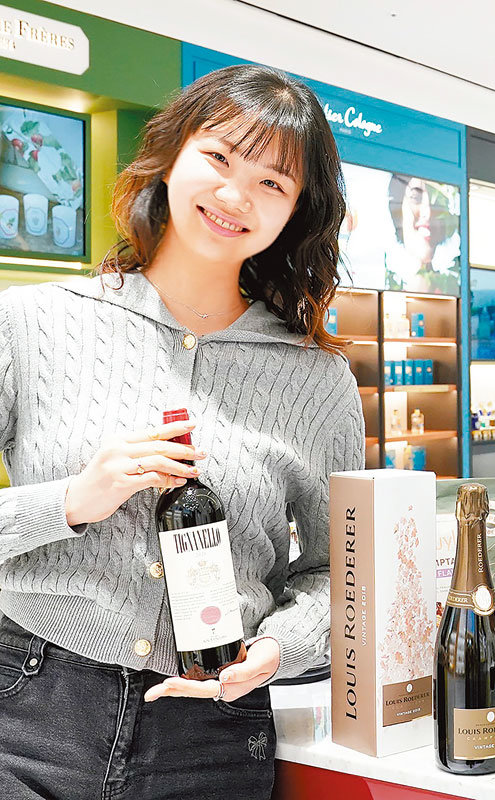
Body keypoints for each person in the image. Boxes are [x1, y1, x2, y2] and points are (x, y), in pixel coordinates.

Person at [0, 64, 364, 799]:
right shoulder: (30, 323)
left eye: (272, 182)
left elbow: (340, 571)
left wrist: (280, 648)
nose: (235, 196)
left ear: (297, 211)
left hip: (213, 733)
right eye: (219, 157)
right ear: (170, 157)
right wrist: (69, 502)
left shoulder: (317, 380)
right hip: (28, 707)